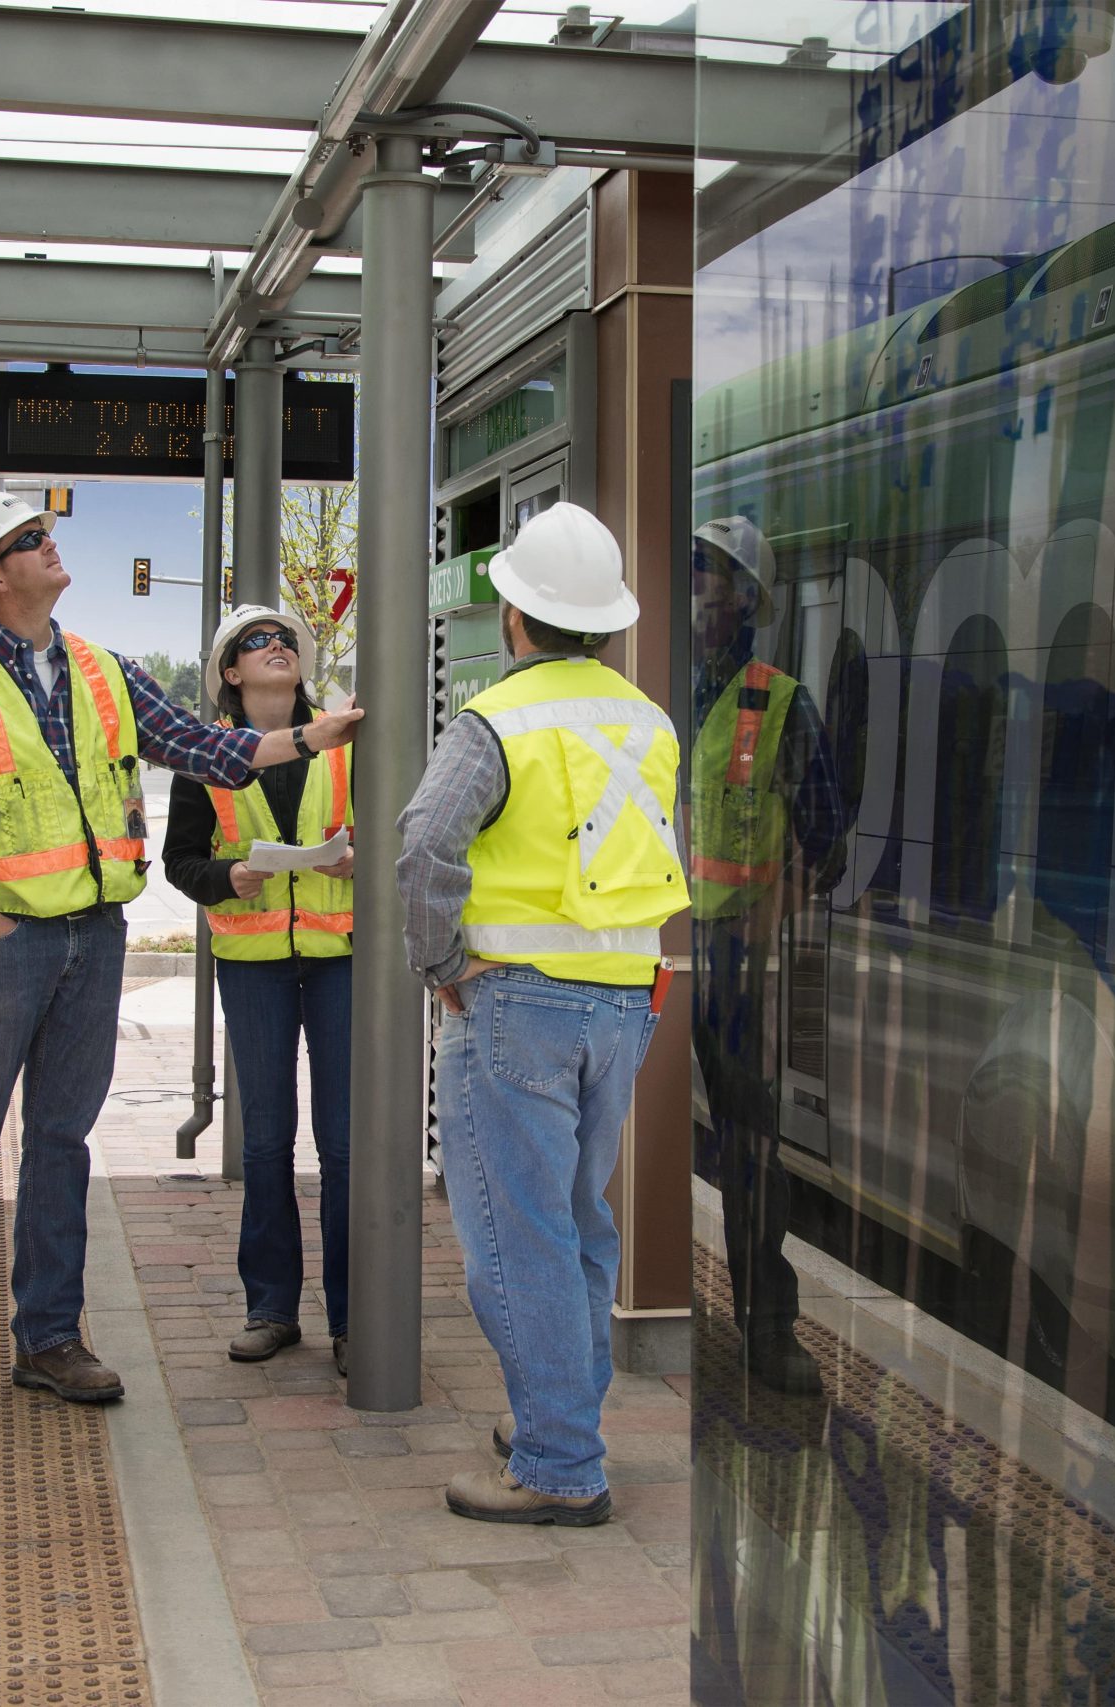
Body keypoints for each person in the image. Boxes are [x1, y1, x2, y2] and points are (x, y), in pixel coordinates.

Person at [0, 490, 362, 1416]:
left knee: (61, 1143)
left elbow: (203, 747)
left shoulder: (105, 671)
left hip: (96, 940)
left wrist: (308, 735)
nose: (53, 546)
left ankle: (50, 1339)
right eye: (32, 541)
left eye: (49, 533)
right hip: (5, 946)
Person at [395, 501, 689, 1526]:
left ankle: (560, 1461)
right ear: (603, 619)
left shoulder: (496, 720)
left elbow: (425, 844)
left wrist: (439, 965)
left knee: (513, 1243)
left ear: (514, 614)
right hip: (623, 1003)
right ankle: (556, 1415)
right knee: (574, 1225)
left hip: (515, 1001)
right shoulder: (647, 719)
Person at [162, 604, 356, 1374]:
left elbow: (396, 834)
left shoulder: (345, 740)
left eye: (287, 641)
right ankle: (271, 1307)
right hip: (253, 967)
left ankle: (353, 1316)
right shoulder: (203, 755)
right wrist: (230, 876)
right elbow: (181, 862)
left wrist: (357, 859)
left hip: (340, 958)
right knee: (268, 1139)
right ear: (230, 672)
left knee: (344, 1144)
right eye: (256, 642)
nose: (277, 647)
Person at [687, 517, 847, 1399]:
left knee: (750, 1148)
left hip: (739, 961)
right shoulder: (656, 688)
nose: (697, 589)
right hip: (656, 947)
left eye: (709, 574)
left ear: (747, 597)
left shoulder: (781, 704)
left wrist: (772, 907)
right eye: (692, 573)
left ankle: (766, 1330)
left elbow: (825, 838)